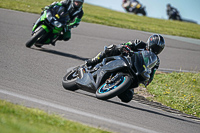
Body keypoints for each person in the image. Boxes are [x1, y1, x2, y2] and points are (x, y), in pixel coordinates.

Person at [86, 34, 165, 103]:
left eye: (158, 49)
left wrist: (147, 81)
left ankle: (113, 87)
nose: (155, 50)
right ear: (149, 43)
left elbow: (151, 75)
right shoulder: (139, 44)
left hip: (134, 72)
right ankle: (94, 60)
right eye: (154, 47)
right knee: (112, 48)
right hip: (124, 60)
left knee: (128, 97)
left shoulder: (156, 61)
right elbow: (124, 44)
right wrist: (125, 47)